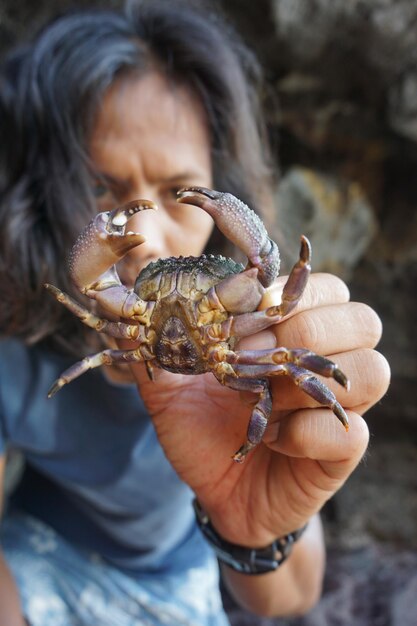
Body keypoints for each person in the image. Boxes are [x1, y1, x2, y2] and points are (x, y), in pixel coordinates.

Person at [0, 1, 390, 625]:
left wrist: (253, 526)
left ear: (218, 188)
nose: (149, 241)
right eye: (101, 187)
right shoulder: (14, 351)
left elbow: (292, 598)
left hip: (187, 570)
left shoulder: (252, 349)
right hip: (41, 552)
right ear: (43, 189)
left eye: (178, 191)